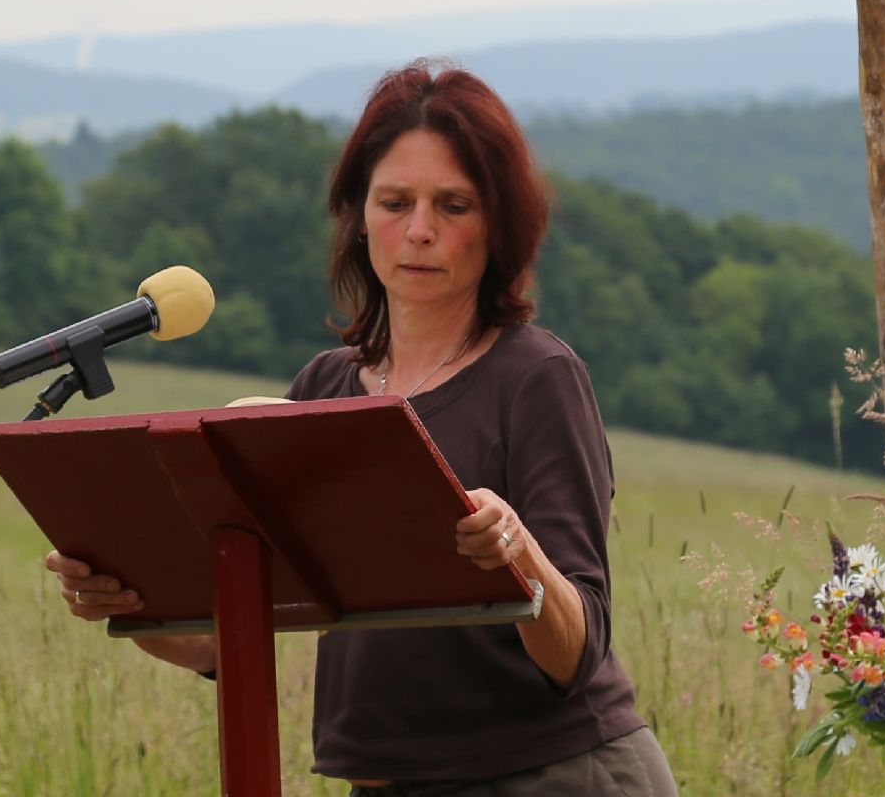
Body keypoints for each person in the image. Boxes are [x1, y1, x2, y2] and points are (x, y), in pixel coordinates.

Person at [45, 62, 677, 794]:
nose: (419, 231)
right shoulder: (323, 390)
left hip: (556, 773)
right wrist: (132, 600)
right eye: (395, 202)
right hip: (386, 780)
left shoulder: (535, 379)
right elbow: (234, 639)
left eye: (454, 205)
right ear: (358, 217)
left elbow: (578, 651)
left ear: (499, 226)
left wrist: (518, 553)